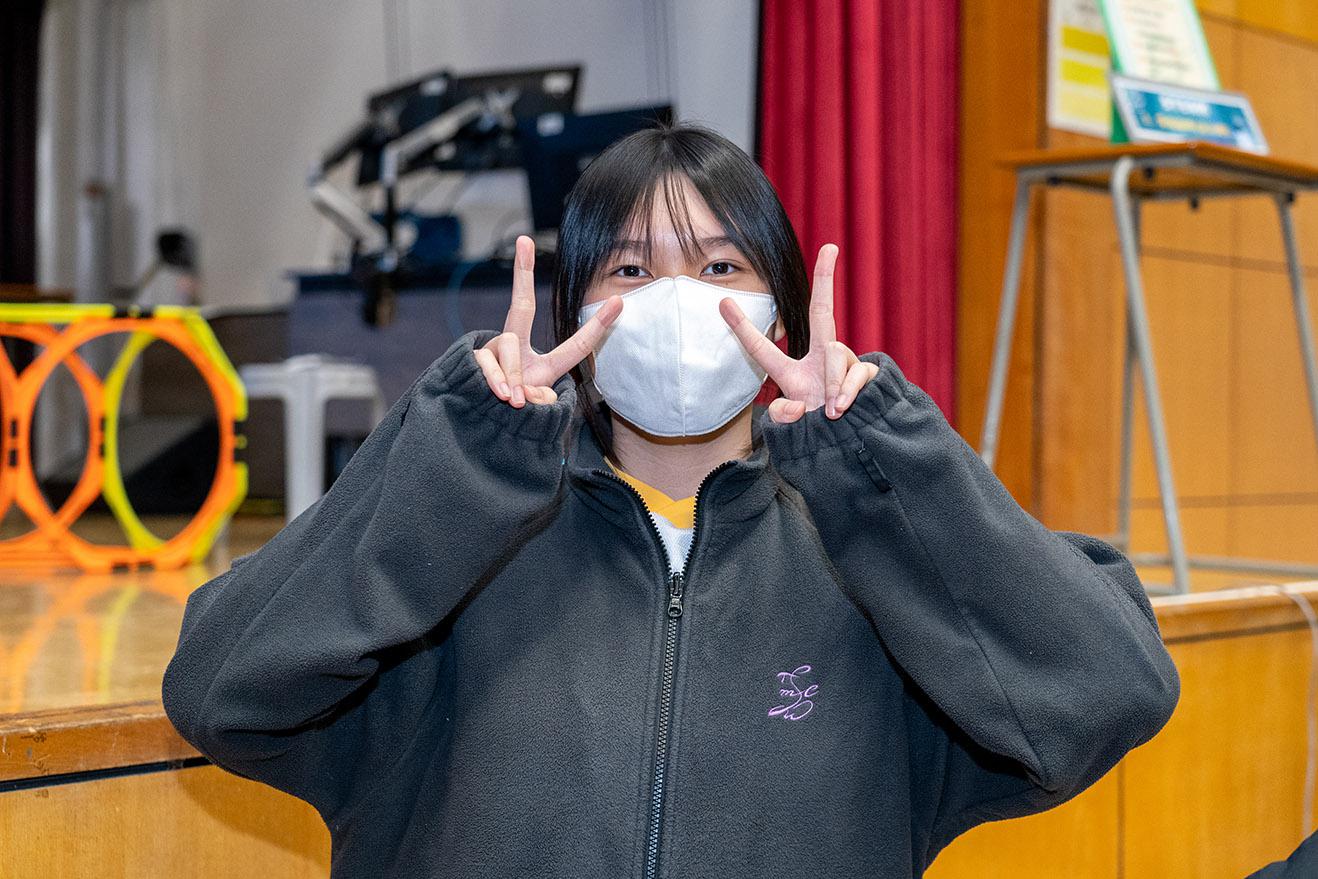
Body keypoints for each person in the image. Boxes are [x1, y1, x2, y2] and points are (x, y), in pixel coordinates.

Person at [161, 122, 1181, 878]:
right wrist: (462, 449)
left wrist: (878, 458)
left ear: (779, 311)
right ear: (574, 313)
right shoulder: (465, 535)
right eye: (630, 268)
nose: (679, 300)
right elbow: (218, 692)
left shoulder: (869, 553)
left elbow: (1112, 691)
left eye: (721, 264)